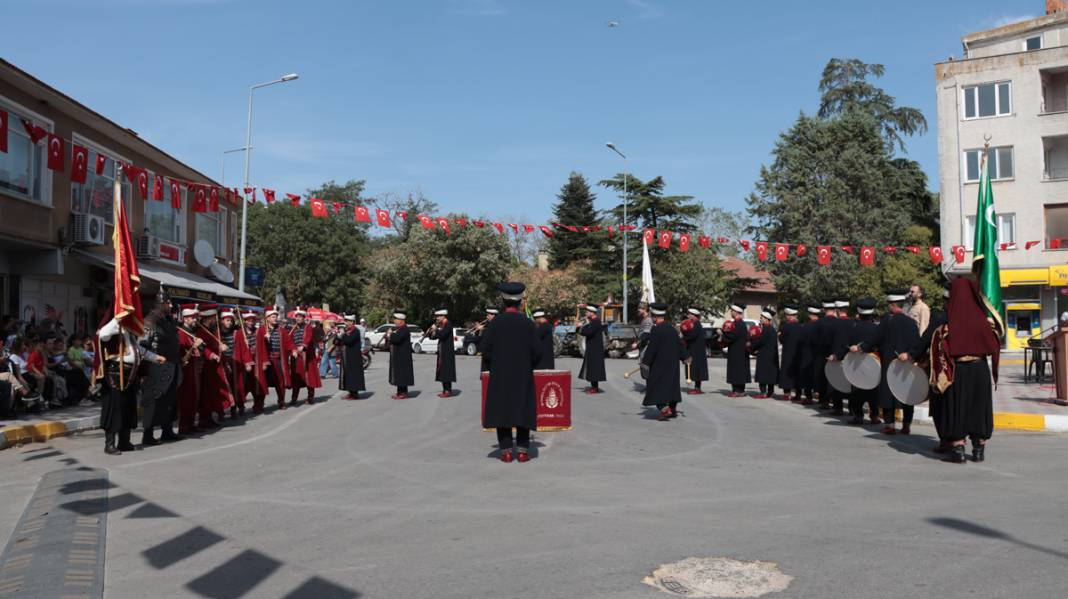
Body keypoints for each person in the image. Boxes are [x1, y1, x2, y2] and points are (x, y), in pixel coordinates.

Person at [938, 277, 1000, 464]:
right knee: (979, 407)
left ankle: (958, 450)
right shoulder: (983, 318)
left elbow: (940, 346)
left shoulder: (949, 318)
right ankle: (979, 450)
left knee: (958, 406)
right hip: (980, 368)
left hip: (960, 369)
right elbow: (994, 344)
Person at [481, 282, 542, 462]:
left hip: (501, 375)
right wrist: (526, 365)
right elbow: (538, 352)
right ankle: (523, 451)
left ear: (503, 300)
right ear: (520, 301)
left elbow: (485, 349)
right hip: (522, 375)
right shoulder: (528, 324)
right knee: (522, 409)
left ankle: (506, 451)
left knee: (503, 411)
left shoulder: (495, 323)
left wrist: (496, 366)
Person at [95, 315, 165, 455]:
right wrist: (118, 318)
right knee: (114, 410)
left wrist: (154, 357)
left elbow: (137, 349)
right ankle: (109, 445)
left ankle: (124, 442)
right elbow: (102, 335)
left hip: (131, 375)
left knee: (128, 409)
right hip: (115, 375)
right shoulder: (113, 329)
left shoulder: (129, 332)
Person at [858, 291, 920, 435]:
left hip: (888, 361)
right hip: (906, 362)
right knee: (906, 393)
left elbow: (875, 338)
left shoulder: (886, 320)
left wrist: (861, 347)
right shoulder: (911, 322)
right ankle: (906, 425)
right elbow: (917, 343)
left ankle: (890, 425)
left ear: (892, 305)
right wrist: (911, 355)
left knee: (888, 393)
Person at [139, 293, 182, 445]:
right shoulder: (150, 321)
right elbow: (143, 346)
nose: (170, 305)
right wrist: (146, 369)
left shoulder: (169, 320)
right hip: (156, 367)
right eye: (167, 303)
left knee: (170, 401)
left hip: (172, 366)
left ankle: (167, 430)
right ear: (159, 303)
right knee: (153, 401)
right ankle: (148, 434)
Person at [910, 292, 949, 451]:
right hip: (968, 373)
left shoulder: (940, 319)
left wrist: (913, 355)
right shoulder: (972, 317)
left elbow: (925, 340)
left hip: (942, 372)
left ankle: (945, 441)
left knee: (940, 407)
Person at [641, 302, 687, 421]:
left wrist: (645, 363)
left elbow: (652, 349)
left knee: (655, 385)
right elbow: (680, 345)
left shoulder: (656, 330)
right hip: (672, 364)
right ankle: (673, 409)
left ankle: (664, 409)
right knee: (672, 386)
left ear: (655, 316)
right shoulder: (672, 329)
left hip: (660, 364)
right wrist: (686, 357)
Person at [196, 304, 234, 427]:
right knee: (206, 393)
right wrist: (211, 354)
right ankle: (203, 419)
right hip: (206, 366)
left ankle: (209, 417)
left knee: (213, 393)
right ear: (207, 318)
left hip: (216, 366)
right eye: (213, 318)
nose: (215, 320)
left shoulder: (214, 330)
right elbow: (203, 348)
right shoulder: (201, 331)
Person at [844, 299, 879, 425]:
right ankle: (874, 415)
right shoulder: (877, 328)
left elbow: (847, 344)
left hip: (856, 363)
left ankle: (858, 415)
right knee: (873, 390)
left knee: (857, 389)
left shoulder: (853, 328)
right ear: (872, 312)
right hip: (873, 363)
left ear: (859, 312)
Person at [254, 308, 292, 410]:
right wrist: (264, 338)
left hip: (279, 360)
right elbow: (258, 346)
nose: (275, 319)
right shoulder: (261, 330)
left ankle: (281, 401)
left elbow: (289, 342)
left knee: (280, 382)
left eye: (276, 317)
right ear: (267, 318)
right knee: (263, 382)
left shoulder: (281, 330)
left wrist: (294, 349)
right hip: (267, 361)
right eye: (273, 317)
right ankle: (259, 404)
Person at [220, 310, 254, 418]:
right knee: (225, 388)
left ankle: (240, 407)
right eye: (227, 320)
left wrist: (248, 362)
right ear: (222, 321)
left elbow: (243, 349)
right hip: (224, 364)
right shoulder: (218, 333)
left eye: (231, 320)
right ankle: (223, 411)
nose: (229, 323)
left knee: (238, 387)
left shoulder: (237, 333)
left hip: (236, 363)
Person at [176, 304, 203, 433]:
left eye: (195, 317)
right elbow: (183, 356)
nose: (195, 320)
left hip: (194, 369)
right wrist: (194, 346)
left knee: (194, 397)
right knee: (186, 398)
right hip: (186, 370)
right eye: (193, 318)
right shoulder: (181, 333)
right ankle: (184, 426)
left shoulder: (192, 332)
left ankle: (191, 424)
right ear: (186, 319)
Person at [287, 307, 322, 406]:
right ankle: (294, 398)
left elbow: (308, 338)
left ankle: (310, 397)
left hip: (307, 356)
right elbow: (290, 341)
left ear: (303, 317)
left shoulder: (308, 327)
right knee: (296, 378)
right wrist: (293, 349)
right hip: (296, 357)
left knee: (308, 378)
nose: (298, 318)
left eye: (300, 317)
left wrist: (303, 346)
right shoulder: (293, 328)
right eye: (296, 317)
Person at [825, 300, 854, 415]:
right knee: (850, 383)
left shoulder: (834, 324)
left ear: (837, 310)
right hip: (850, 357)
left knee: (836, 383)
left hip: (835, 357)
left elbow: (828, 341)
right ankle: (852, 409)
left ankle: (838, 408)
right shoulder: (853, 323)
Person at [794, 303, 822, 404]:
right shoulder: (822, 325)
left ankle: (809, 397)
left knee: (807, 377)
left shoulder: (806, 326)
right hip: (820, 355)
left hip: (807, 355)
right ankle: (822, 399)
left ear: (810, 314)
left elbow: (800, 341)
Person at [721, 303, 751, 397]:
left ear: (736, 312)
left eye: (732, 311)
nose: (731, 312)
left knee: (736, 371)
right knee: (740, 370)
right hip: (740, 351)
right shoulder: (741, 323)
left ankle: (737, 391)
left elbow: (732, 336)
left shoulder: (737, 324)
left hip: (736, 351)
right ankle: (740, 390)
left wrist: (722, 334)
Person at [751, 306, 780, 398]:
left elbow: (761, 341)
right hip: (771, 356)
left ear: (767, 319)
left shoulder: (766, 329)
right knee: (770, 375)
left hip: (764, 356)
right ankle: (770, 392)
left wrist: (751, 345)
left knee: (763, 374)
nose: (760, 319)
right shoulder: (772, 329)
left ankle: (763, 392)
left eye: (762, 318)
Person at [578, 305, 606, 394]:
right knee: (591, 368)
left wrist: (580, 326)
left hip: (595, 350)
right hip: (592, 348)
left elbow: (587, 332)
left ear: (592, 313)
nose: (586, 313)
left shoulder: (596, 322)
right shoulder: (592, 321)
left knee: (594, 369)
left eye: (587, 312)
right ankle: (593, 386)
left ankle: (595, 388)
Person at [429, 308, 457, 397]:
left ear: (443, 316)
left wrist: (436, 329)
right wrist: (430, 332)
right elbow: (435, 337)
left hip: (447, 353)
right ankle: (445, 390)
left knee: (446, 372)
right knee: (442, 372)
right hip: (442, 353)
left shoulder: (448, 324)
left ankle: (448, 390)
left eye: (438, 316)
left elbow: (442, 335)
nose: (437, 318)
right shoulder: (443, 325)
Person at [777, 305, 802, 401]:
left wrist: (779, 335)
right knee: (797, 373)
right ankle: (798, 394)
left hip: (788, 353)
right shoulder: (800, 326)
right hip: (798, 353)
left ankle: (787, 393)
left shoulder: (785, 327)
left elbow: (782, 340)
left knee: (786, 373)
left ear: (789, 315)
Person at [388, 311, 415, 399]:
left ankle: (404, 392)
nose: (394, 321)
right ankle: (399, 391)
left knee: (403, 374)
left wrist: (390, 334)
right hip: (398, 356)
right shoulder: (399, 329)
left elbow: (396, 340)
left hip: (403, 356)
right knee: (398, 374)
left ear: (401, 320)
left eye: (396, 319)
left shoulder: (405, 329)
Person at [682, 307, 709, 394]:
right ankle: (696, 387)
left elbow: (691, 336)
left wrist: (683, 333)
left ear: (694, 316)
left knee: (697, 369)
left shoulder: (696, 324)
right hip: (693, 350)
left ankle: (698, 388)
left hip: (697, 351)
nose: (688, 316)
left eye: (690, 314)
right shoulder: (693, 323)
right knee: (694, 368)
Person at [339, 315, 366, 400]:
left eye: (347, 321)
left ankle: (354, 394)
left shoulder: (356, 331)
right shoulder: (348, 331)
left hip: (354, 357)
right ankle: (350, 392)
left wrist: (343, 335)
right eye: (346, 321)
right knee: (348, 375)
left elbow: (349, 341)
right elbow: (342, 341)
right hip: (347, 357)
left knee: (353, 375)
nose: (346, 323)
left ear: (352, 322)